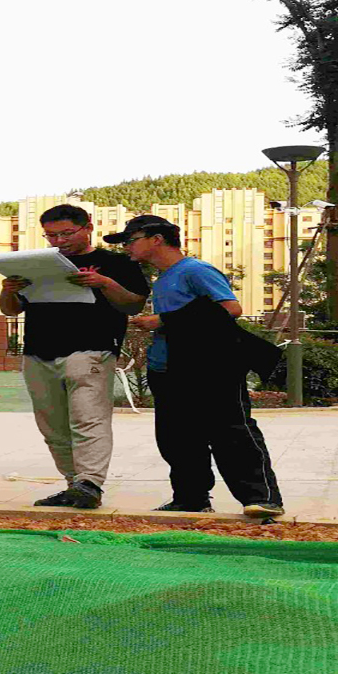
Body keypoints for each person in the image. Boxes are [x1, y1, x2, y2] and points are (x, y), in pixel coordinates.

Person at [106, 215, 285, 518]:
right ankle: (190, 498)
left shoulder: (195, 270)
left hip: (210, 367)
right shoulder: (163, 278)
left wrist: (162, 320)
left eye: (130, 240)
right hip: (168, 369)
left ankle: (262, 498)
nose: (126, 247)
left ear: (156, 239)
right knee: (178, 439)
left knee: (231, 432)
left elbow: (230, 309)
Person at [0, 204, 150, 509]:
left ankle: (90, 482)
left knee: (88, 419)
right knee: (52, 425)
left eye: (67, 233)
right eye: (51, 235)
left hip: (92, 348)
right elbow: (11, 309)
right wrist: (8, 289)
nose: (59, 241)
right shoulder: (38, 264)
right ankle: (73, 484)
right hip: (39, 351)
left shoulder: (115, 262)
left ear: (88, 227)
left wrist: (103, 283)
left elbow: (134, 305)